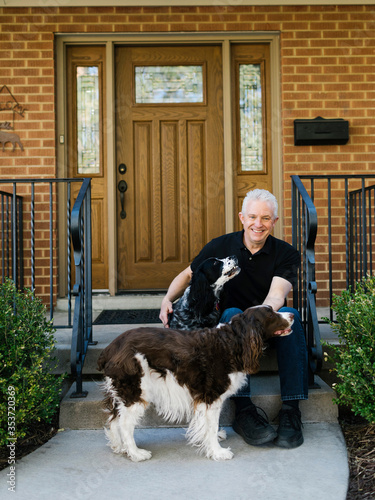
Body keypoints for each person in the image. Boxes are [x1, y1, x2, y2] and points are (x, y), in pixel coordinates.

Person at [159, 189, 308, 449]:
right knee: (230, 315)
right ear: (242, 217)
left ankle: (291, 410)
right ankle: (245, 410)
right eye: (252, 216)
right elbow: (188, 274)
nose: (257, 224)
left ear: (274, 221)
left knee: (292, 316)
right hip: (232, 332)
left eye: (265, 218)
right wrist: (167, 299)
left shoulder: (286, 253)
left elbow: (277, 296)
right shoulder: (221, 246)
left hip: (266, 325)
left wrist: (258, 319)